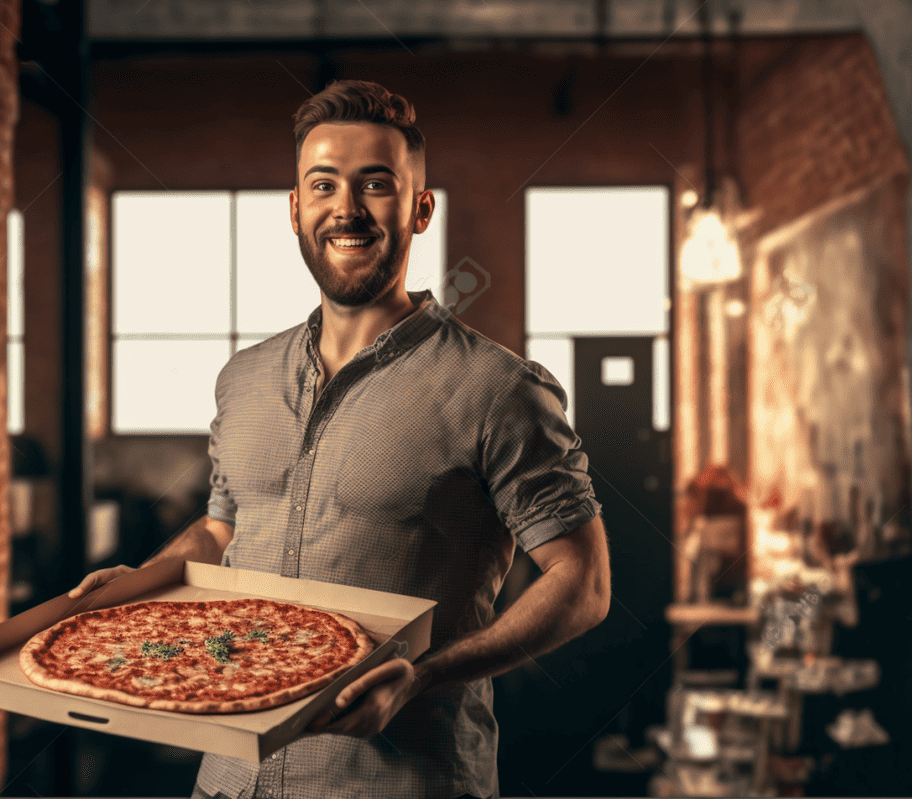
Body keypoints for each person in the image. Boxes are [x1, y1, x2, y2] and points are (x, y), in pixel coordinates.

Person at [69, 79, 611, 799]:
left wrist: (424, 674)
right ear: (296, 208)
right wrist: (139, 583)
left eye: (376, 184)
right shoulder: (243, 378)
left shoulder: (498, 388)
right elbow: (221, 529)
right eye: (323, 184)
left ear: (421, 208)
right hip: (229, 779)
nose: (347, 209)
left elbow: (585, 582)